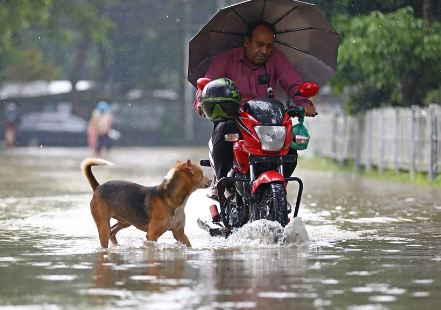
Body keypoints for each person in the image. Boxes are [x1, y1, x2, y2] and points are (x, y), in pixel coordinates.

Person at [193, 21, 316, 200]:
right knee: (224, 128)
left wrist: (304, 102)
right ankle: (221, 184)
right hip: (235, 119)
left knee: (289, 147)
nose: (264, 51)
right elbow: (208, 83)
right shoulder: (226, 59)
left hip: (267, 121)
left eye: (269, 46)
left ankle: (280, 189)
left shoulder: (276, 58)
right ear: (246, 42)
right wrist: (200, 101)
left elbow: (293, 84)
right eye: (259, 45)